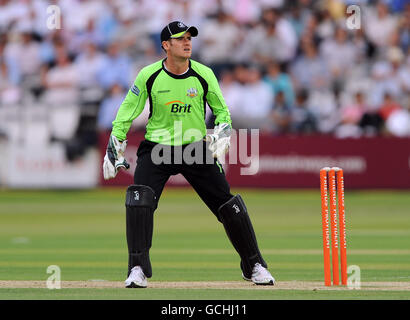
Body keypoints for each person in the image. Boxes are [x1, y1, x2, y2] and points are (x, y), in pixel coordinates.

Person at [102, 21, 275, 288]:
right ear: (166, 46)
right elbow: (128, 110)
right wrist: (116, 140)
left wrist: (223, 133)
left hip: (195, 148)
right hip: (157, 148)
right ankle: (137, 268)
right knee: (139, 200)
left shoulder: (204, 74)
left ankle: (254, 264)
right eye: (180, 39)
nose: (187, 42)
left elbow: (222, 112)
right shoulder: (148, 75)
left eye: (189, 38)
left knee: (229, 206)